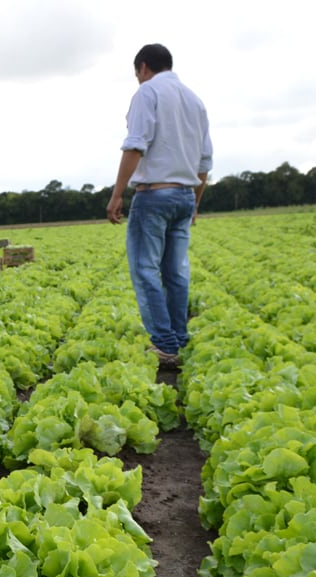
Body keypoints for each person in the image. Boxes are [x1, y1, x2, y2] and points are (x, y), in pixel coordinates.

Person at [106, 43, 212, 369]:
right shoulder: (195, 100)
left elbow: (135, 144)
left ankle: (165, 346)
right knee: (176, 272)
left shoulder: (147, 93)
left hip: (154, 195)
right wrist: (194, 204)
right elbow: (204, 163)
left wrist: (117, 193)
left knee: (145, 269)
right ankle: (177, 339)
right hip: (184, 194)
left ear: (143, 67)